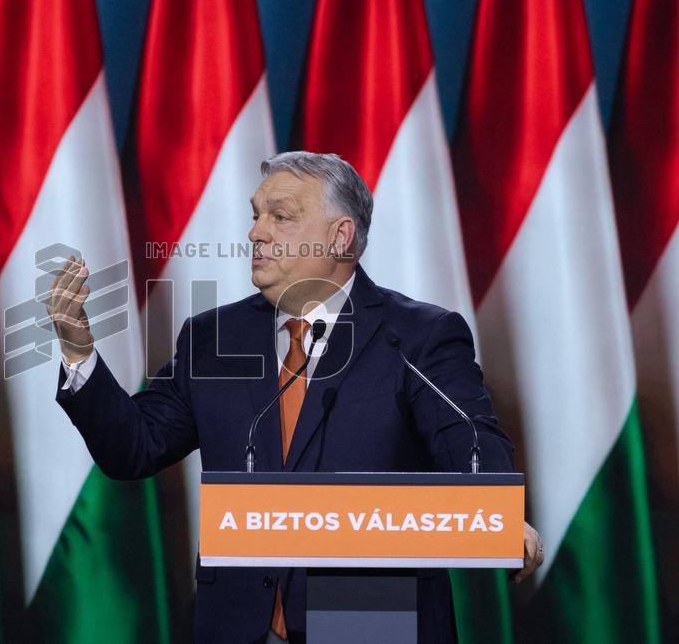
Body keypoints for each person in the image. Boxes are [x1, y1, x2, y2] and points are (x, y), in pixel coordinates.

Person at [47, 151, 543, 643]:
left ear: (340, 237)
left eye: (280, 217)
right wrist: (77, 352)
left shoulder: (415, 335)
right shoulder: (214, 340)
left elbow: (467, 435)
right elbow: (132, 446)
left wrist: (495, 510)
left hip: (368, 618)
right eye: (256, 215)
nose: (256, 233)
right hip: (239, 623)